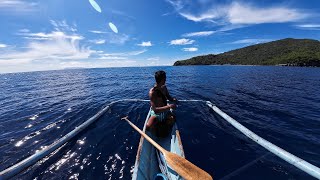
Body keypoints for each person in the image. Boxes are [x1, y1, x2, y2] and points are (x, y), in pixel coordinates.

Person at [146, 70, 177, 137]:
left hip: (165, 112)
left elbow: (169, 97)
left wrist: (173, 99)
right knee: (148, 127)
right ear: (163, 79)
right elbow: (155, 110)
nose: (166, 80)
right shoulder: (152, 92)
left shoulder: (164, 87)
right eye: (165, 78)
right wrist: (169, 107)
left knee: (173, 119)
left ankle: (163, 126)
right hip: (156, 114)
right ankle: (155, 134)